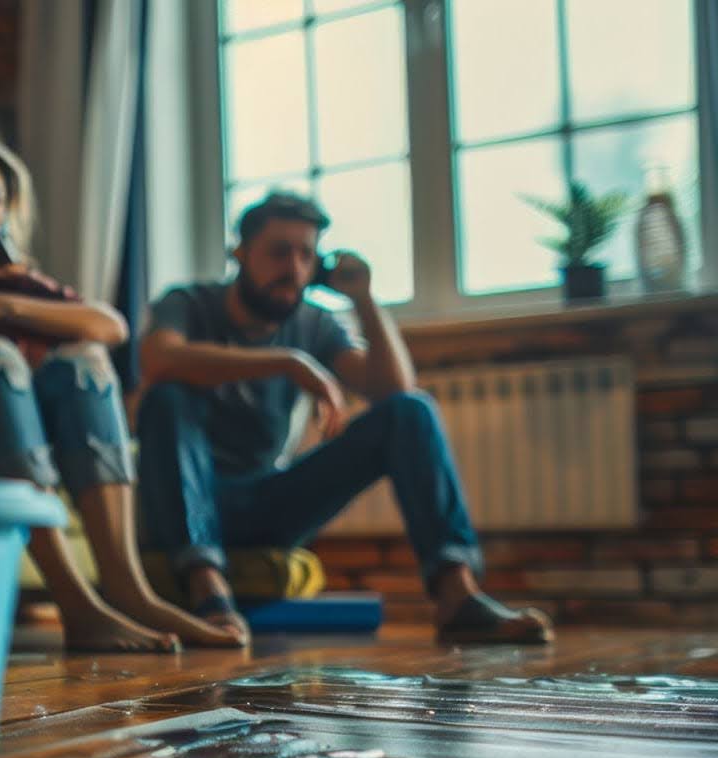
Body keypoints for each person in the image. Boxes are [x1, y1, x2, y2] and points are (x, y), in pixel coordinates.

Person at [0, 130, 242, 652]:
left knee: (85, 359)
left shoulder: (9, 281)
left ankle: (127, 588)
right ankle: (76, 605)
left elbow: (111, 326)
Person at [135, 191, 553, 646]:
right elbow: (160, 358)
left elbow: (394, 390)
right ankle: (207, 590)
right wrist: (286, 362)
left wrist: (364, 299)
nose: (293, 268)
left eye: (306, 255)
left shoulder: (315, 322)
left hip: (266, 503)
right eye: (278, 252)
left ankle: (457, 595)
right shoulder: (189, 303)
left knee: (411, 412)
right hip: (185, 501)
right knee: (168, 396)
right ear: (240, 253)